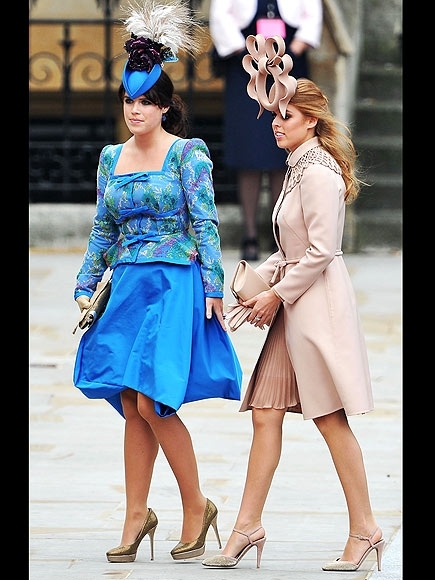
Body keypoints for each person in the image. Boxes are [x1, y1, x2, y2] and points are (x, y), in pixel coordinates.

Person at [202, 34, 384, 571]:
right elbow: (291, 249)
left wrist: (274, 296)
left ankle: (366, 530)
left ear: (310, 120)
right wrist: (252, 285)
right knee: (265, 415)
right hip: (292, 310)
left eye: (285, 115)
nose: (275, 122)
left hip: (315, 314)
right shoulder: (297, 167)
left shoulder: (319, 171)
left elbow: (325, 251)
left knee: (330, 421)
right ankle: (246, 527)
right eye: (274, 113)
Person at [72, 0, 242, 564]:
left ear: (166, 107)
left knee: (153, 400)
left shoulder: (188, 154)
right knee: (127, 395)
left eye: (147, 101)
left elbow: (206, 222)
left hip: (175, 283)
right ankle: (135, 514)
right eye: (129, 99)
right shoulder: (109, 158)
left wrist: (214, 287)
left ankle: (196, 505)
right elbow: (103, 228)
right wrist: (85, 281)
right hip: (127, 288)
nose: (136, 109)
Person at [209, 0, 323, 260]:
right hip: (245, 68)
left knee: (283, 152)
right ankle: (249, 233)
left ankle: (280, 235)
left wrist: (292, 51)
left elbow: (312, 15)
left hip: (289, 65)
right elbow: (221, 14)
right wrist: (244, 53)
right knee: (248, 150)